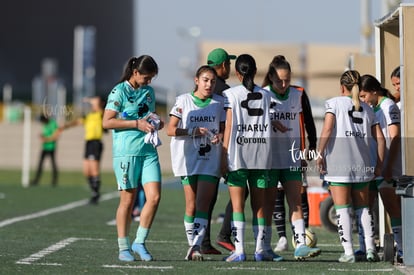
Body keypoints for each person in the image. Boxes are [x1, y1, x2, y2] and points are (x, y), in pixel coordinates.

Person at [316, 70, 385, 263]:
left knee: (343, 209)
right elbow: (380, 139)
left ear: (342, 87)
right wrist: (379, 164)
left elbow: (328, 129)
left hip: (339, 164)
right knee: (363, 208)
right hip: (362, 164)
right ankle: (370, 249)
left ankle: (348, 252)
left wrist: (319, 154)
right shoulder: (369, 109)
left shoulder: (334, 103)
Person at [221, 54, 283, 262]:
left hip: (238, 154)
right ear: (256, 71)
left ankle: (239, 251)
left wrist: (223, 153)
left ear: (237, 73)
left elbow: (229, 126)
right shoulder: (266, 95)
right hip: (261, 154)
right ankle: (260, 249)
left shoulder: (230, 94)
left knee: (238, 205)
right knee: (259, 205)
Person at [102, 55, 164, 262]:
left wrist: (156, 121)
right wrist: (136, 124)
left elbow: (149, 114)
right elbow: (107, 122)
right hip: (126, 152)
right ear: (135, 72)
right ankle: (123, 247)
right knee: (127, 202)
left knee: (154, 197)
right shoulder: (119, 91)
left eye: (151, 79)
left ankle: (140, 241)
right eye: (147, 78)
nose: (149, 82)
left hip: (148, 151)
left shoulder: (149, 92)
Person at [262, 55, 321, 260]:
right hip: (269, 159)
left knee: (295, 201)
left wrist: (311, 147)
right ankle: (265, 246)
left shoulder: (298, 93)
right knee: (269, 203)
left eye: (287, 79)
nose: (284, 84)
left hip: (292, 157)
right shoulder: (262, 95)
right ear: (270, 77)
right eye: (279, 80)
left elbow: (309, 122)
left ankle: (301, 245)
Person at [167, 65, 225, 261]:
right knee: (190, 205)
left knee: (203, 203)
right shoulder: (183, 100)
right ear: (196, 80)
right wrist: (192, 132)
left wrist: (220, 136)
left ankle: (196, 246)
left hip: (210, 159)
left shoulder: (220, 102)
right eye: (206, 80)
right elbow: (170, 129)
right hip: (187, 159)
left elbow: (226, 129)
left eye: (213, 81)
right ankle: (193, 244)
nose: (209, 84)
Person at [359, 74, 403, 264]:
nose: (362, 100)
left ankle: (403, 249)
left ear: (374, 92)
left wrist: (388, 167)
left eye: (364, 96)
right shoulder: (369, 108)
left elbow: (395, 138)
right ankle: (365, 247)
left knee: (392, 207)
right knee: (365, 207)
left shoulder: (388, 106)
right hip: (371, 167)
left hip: (386, 169)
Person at [205, 48, 237, 253]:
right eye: (229, 64)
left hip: (199, 150)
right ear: (224, 65)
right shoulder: (225, 90)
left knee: (205, 198)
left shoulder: (201, 87)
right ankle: (224, 235)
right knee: (240, 191)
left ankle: (203, 242)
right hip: (220, 148)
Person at [61, 96, 106, 204]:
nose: (93, 102)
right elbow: (77, 122)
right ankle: (94, 192)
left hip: (96, 143)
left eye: (96, 101)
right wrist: (64, 127)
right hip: (88, 143)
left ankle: (96, 194)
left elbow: (100, 107)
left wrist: (91, 100)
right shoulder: (89, 115)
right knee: (86, 171)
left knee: (94, 170)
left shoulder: (101, 114)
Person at [30, 114, 60, 186]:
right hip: (44, 147)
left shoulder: (53, 124)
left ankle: (54, 181)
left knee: (53, 164)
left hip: (51, 147)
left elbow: (55, 136)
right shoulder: (45, 125)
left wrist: (46, 139)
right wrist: (41, 136)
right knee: (40, 164)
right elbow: (44, 134)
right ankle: (36, 180)